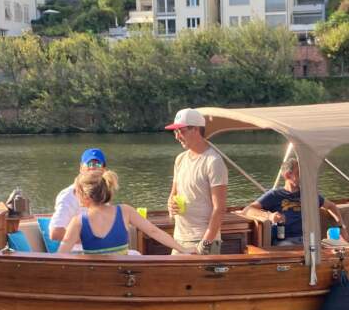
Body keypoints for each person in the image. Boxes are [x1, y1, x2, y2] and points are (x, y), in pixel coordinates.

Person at [58, 171, 191, 256]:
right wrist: (183, 249)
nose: (75, 195)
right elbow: (153, 231)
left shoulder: (78, 222)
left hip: (95, 281)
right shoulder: (125, 211)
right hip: (123, 278)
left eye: (77, 192)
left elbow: (61, 255)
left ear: (86, 196)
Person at [166, 108, 228, 255]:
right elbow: (173, 195)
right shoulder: (180, 159)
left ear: (195, 129)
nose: (177, 136)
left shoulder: (213, 162)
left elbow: (219, 208)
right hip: (178, 239)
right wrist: (170, 205)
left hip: (203, 241)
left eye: (181, 131)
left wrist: (204, 245)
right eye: (175, 132)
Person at [243, 157, 345, 246]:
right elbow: (248, 209)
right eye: (300, 173)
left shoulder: (309, 194)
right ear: (288, 175)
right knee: (288, 249)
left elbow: (331, 206)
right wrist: (269, 216)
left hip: (308, 240)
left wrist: (341, 227)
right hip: (285, 241)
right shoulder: (275, 195)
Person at [47, 147, 107, 252]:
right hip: (78, 255)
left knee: (135, 254)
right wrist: (89, 240)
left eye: (97, 165)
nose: (93, 169)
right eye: (90, 164)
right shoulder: (69, 195)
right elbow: (55, 232)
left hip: (102, 251)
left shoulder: (104, 193)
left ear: (104, 169)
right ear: (81, 168)